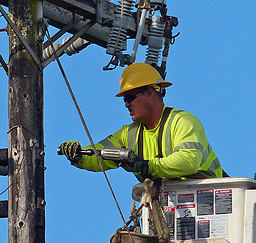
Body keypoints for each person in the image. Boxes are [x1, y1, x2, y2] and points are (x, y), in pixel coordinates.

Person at [58, 63, 224, 181]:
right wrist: (79, 154)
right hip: (169, 209)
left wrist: (148, 166)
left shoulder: (183, 122)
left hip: (210, 199)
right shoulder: (128, 135)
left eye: (130, 97)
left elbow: (189, 161)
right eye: (124, 99)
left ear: (150, 93)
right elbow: (99, 155)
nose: (126, 104)